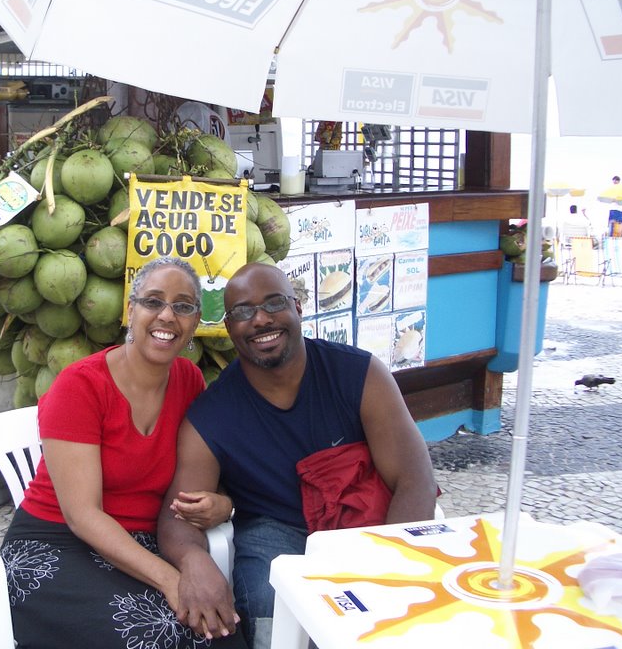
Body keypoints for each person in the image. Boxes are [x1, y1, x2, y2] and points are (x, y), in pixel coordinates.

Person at [157, 263, 438, 647]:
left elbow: (414, 476)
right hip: (277, 533)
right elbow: (177, 515)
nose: (259, 319)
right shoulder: (212, 415)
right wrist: (193, 561)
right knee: (271, 608)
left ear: (298, 308)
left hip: (366, 526)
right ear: (228, 327)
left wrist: (389, 564)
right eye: (241, 312)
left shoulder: (359, 374)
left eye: (274, 303)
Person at [0, 257, 246, 648]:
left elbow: (196, 483)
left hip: (144, 541)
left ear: (196, 321)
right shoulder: (79, 386)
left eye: (183, 306)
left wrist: (221, 505)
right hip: (55, 544)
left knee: (218, 631)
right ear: (130, 311)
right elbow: (83, 516)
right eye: (153, 302)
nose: (167, 315)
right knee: (154, 633)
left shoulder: (189, 381)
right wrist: (172, 581)